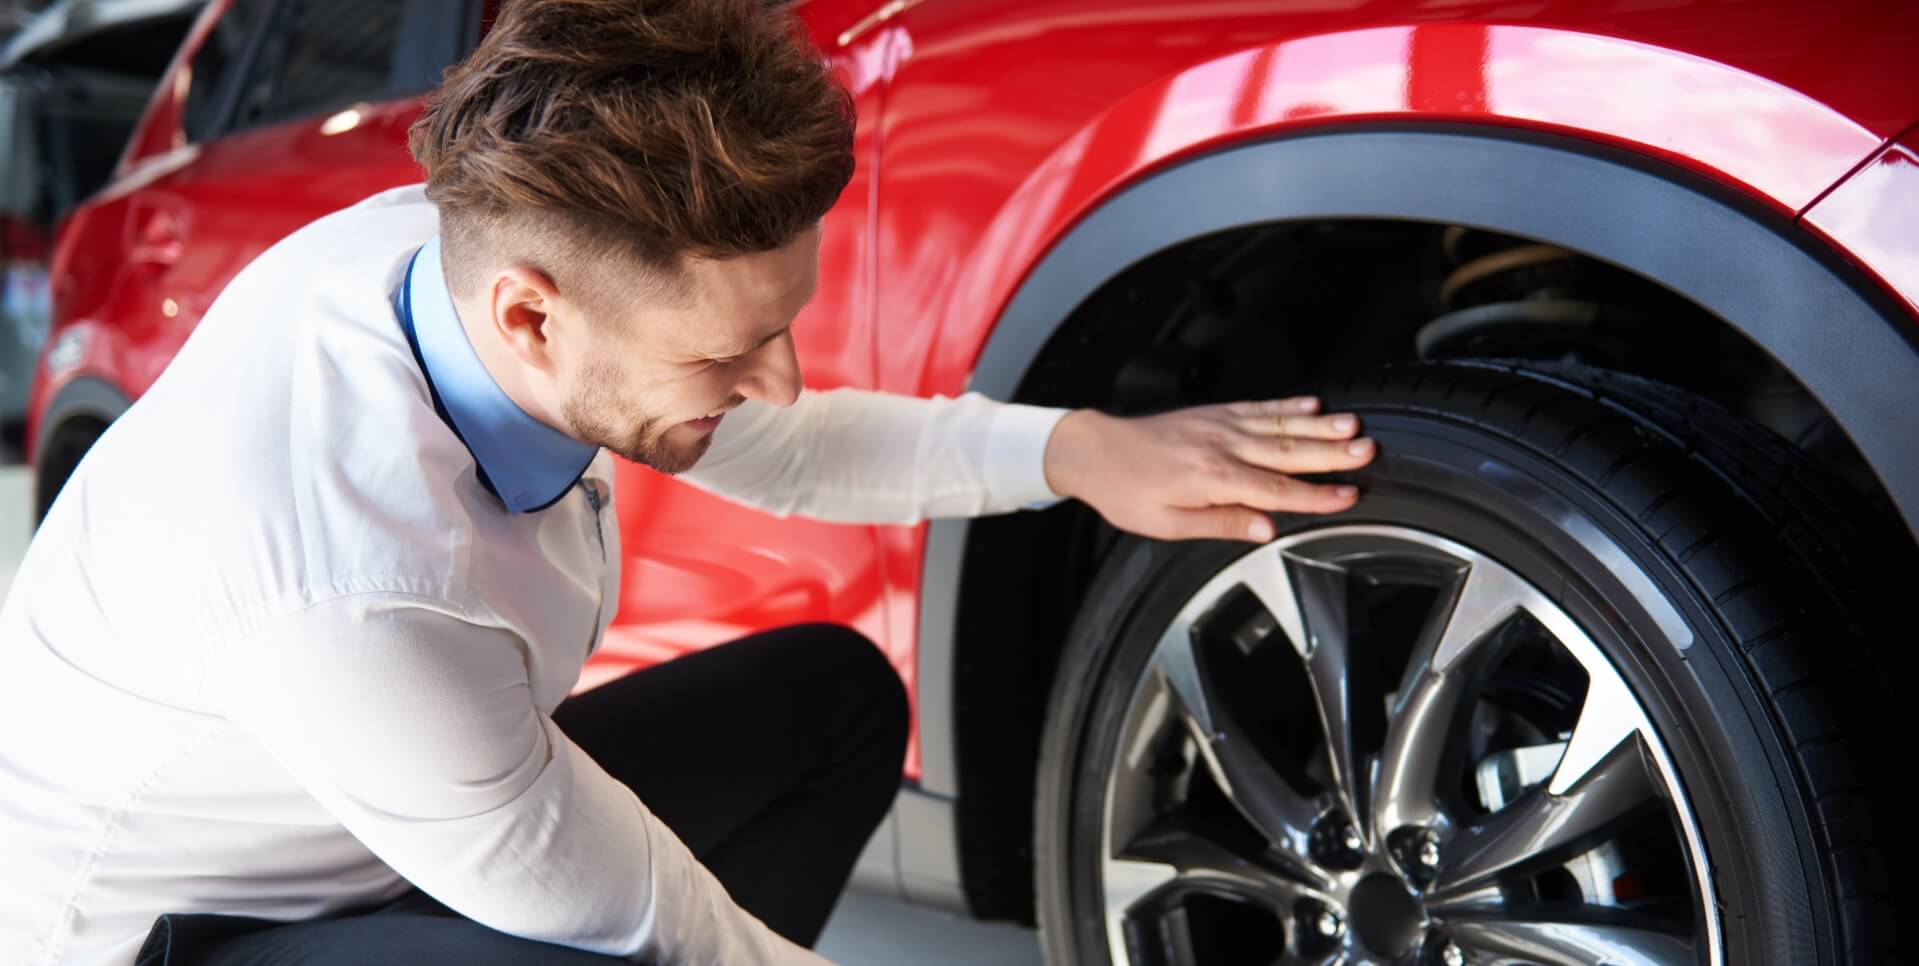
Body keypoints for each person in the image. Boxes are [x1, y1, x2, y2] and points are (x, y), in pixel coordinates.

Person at [0, 0, 1378, 963]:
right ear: (534, 320)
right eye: (733, 347)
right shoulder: (342, 583)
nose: (778, 379)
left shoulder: (472, 256)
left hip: (391, 822)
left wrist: (1077, 448)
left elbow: (786, 442)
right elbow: (636, 906)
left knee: (837, 706)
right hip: (182, 936)